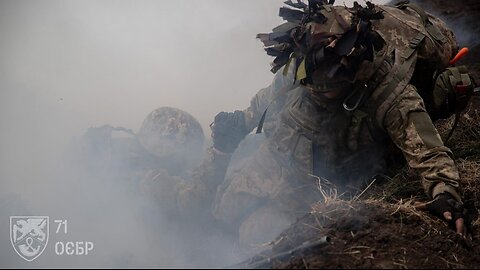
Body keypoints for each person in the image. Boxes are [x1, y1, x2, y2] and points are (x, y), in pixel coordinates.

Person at [171, 0, 472, 249]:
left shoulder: (390, 94)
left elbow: (427, 152)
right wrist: (242, 121)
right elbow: (273, 94)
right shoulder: (305, 58)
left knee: (254, 236)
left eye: (325, 89)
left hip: (326, 176)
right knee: (223, 213)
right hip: (282, 154)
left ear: (351, 77)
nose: (314, 92)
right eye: (308, 84)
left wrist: (445, 192)